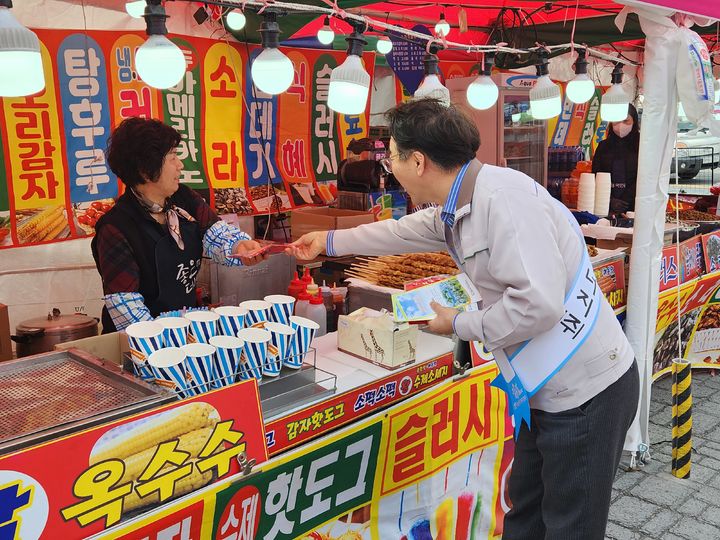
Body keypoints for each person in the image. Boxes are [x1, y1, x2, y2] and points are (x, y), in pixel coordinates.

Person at [289, 99, 639, 540]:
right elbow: (399, 233)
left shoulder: (503, 201)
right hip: (543, 389)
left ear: (417, 161)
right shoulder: (457, 205)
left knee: (570, 528)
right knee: (525, 515)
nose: (388, 167)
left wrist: (460, 324)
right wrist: (329, 239)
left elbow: (540, 305)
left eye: (390, 156)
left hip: (587, 392)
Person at [92, 117, 265, 333]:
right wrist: (165, 342)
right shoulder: (116, 228)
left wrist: (240, 247)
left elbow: (215, 232)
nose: (180, 165)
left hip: (184, 333)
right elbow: (126, 309)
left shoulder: (183, 198)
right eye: (172, 157)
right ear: (146, 170)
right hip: (140, 345)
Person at [592, 103, 640, 215]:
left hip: (635, 208)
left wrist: (626, 200)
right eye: (617, 121)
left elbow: (644, 177)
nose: (621, 125)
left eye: (626, 121)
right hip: (605, 207)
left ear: (634, 121)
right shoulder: (603, 147)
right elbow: (595, 175)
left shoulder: (641, 147)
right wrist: (610, 200)